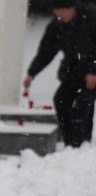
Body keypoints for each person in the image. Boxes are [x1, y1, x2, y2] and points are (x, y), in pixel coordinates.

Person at [24, 0, 96, 147]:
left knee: (83, 105)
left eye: (62, 12)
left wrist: (93, 71)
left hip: (92, 72)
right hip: (72, 71)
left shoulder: (91, 18)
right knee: (61, 99)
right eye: (56, 14)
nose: (60, 16)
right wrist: (32, 73)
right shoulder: (57, 26)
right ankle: (69, 141)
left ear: (72, 8)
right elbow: (46, 51)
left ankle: (82, 142)